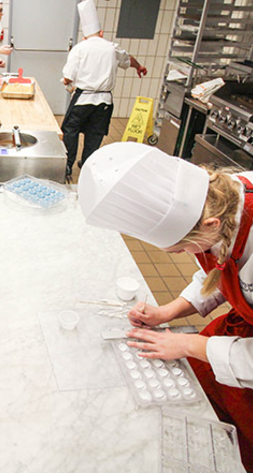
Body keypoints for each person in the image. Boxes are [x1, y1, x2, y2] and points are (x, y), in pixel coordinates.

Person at [78, 142, 253, 472]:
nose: (182, 255)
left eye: (180, 249)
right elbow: (220, 270)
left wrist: (189, 343)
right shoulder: (224, 197)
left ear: (212, 226)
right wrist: (169, 311)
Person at [62, 0, 147, 177]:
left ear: (85, 36)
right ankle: (86, 166)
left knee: (70, 130)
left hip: (83, 98)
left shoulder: (80, 48)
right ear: (101, 33)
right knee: (95, 134)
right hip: (104, 101)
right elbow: (128, 59)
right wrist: (139, 67)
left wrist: (67, 82)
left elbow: (67, 77)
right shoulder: (111, 47)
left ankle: (68, 165)